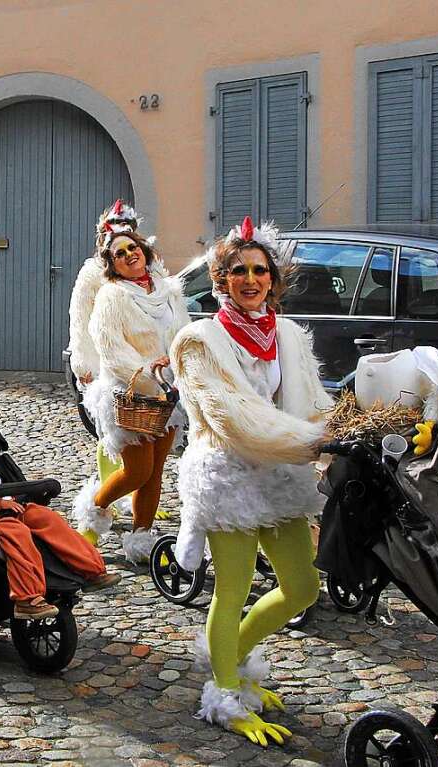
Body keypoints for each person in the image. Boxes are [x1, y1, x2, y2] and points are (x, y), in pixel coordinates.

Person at [170, 216, 333, 747]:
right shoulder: (199, 339)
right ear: (220, 279)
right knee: (233, 588)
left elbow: (311, 400)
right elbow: (232, 417)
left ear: (273, 278)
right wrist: (310, 444)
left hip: (282, 475)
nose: (250, 278)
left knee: (303, 587)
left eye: (260, 270)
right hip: (228, 475)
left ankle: (234, 655)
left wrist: (341, 432)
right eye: (237, 270)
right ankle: (223, 693)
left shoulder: (287, 332)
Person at [0, 404, 120, 618]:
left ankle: (92, 570)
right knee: (18, 536)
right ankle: (27, 598)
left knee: (48, 518)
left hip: (8, 505)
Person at [72, 226, 190, 564]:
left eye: (132, 247)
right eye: (119, 254)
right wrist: (150, 377)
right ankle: (92, 513)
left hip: (169, 395)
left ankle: (141, 538)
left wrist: (176, 367)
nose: (128, 255)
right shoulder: (112, 296)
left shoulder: (169, 291)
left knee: (155, 472)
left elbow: (182, 334)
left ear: (145, 250)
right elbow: (111, 350)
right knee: (137, 471)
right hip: (130, 394)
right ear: (112, 265)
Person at [68, 200, 170, 522]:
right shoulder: (93, 274)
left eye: (131, 237)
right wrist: (84, 364)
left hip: (159, 376)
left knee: (151, 464)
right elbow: (81, 319)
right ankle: (105, 499)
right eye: (117, 239)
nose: (128, 251)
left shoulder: (155, 273)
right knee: (114, 438)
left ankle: (138, 515)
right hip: (113, 368)